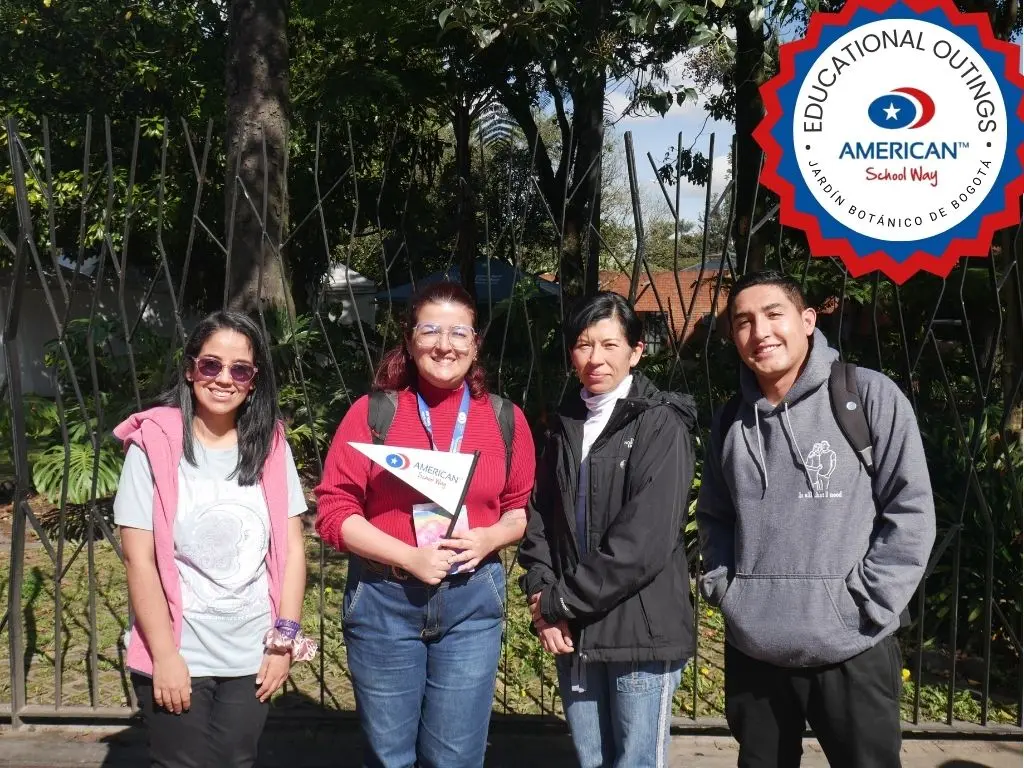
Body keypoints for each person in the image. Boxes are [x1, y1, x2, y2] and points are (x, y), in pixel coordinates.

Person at [696, 271, 936, 768]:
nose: (759, 331)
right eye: (743, 321)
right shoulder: (729, 422)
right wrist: (729, 591)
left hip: (853, 645)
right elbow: (714, 518)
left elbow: (910, 512)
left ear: (807, 321)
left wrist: (865, 603)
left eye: (772, 314)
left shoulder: (867, 397)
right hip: (756, 648)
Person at [315, 281, 536, 768]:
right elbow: (333, 514)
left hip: (471, 602)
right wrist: (408, 557)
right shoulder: (373, 413)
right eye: (431, 329)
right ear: (410, 340)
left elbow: (520, 510)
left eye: (460, 332)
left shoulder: (505, 419)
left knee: (456, 758)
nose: (445, 344)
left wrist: (490, 538)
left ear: (475, 344)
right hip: (384, 601)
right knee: (391, 757)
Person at [114, 310, 314, 768]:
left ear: (253, 381)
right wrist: (165, 656)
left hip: (253, 653)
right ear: (190, 369)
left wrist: (284, 641)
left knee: (235, 759)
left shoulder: (270, 446)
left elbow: (292, 548)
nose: (224, 379)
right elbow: (137, 560)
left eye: (239, 369)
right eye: (210, 365)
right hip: (179, 650)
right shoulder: (154, 445)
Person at [518, 292, 697, 768]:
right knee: (591, 759)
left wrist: (561, 601)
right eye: (582, 344)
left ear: (636, 351)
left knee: (635, 761)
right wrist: (541, 594)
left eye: (609, 344)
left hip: (639, 630)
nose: (595, 358)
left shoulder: (660, 424)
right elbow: (540, 519)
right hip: (572, 630)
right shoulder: (565, 424)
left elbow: (643, 542)